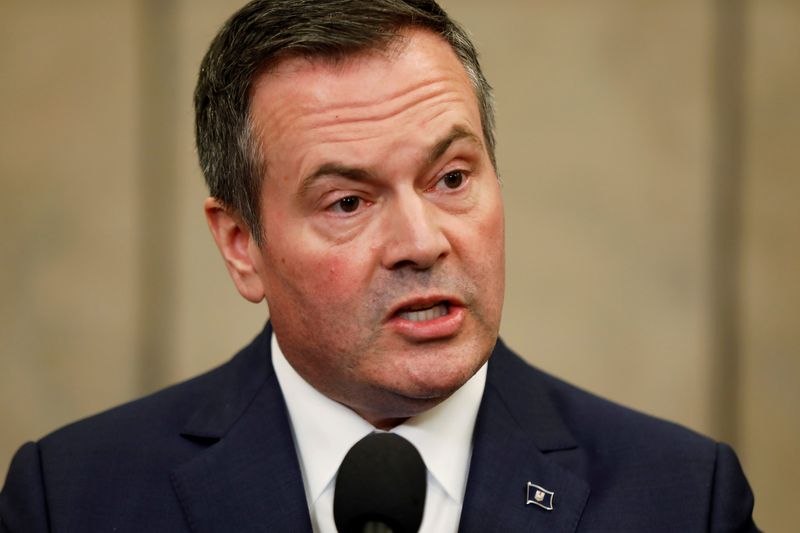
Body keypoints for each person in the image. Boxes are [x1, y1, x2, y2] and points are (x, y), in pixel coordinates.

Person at [0, 1, 758, 531]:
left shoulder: (682, 497)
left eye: (452, 178)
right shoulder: (73, 498)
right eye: (348, 202)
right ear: (241, 245)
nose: (422, 241)